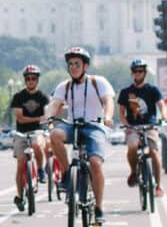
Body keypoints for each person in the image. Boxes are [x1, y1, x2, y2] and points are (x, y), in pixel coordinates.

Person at [44, 46, 115, 225]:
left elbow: (108, 101)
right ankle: (68, 172)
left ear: (85, 66)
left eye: (77, 64)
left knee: (95, 163)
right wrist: (48, 117)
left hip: (94, 126)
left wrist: (107, 117)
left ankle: (99, 208)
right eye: (70, 64)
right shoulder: (64, 86)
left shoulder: (98, 82)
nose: (73, 67)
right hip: (72, 125)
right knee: (55, 135)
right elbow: (55, 104)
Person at [118, 58, 167, 197]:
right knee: (132, 145)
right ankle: (134, 172)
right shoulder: (126, 91)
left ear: (145, 73)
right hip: (133, 126)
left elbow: (161, 105)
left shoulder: (152, 90)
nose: (137, 74)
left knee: (154, 152)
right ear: (132, 73)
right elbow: (121, 112)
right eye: (135, 71)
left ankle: (158, 185)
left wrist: (164, 115)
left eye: (140, 71)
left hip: (150, 125)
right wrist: (127, 125)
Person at [9, 64, 50, 211]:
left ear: (37, 80)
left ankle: (40, 170)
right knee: (20, 165)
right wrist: (39, 118)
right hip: (21, 133)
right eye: (28, 78)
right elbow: (20, 119)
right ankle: (20, 196)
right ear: (25, 80)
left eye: (33, 78)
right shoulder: (18, 97)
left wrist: (40, 119)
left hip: (37, 132)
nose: (31, 81)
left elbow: (47, 115)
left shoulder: (43, 97)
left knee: (37, 144)